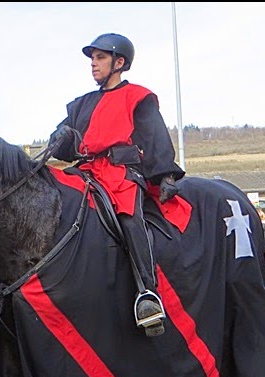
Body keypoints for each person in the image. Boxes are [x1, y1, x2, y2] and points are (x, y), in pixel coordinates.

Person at [47, 33, 184, 337]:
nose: (93, 65)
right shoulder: (81, 104)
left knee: (128, 217)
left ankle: (147, 294)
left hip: (120, 172)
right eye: (92, 58)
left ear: (119, 62)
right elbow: (66, 140)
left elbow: (155, 137)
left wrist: (165, 175)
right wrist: (57, 140)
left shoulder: (138, 96)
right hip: (83, 171)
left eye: (100, 58)